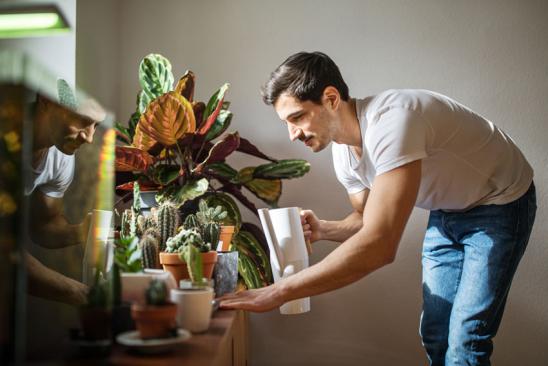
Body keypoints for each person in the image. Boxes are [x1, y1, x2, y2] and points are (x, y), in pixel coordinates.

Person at [218, 52, 537, 365]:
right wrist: (325, 229)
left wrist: (278, 291)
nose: (292, 133)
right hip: (447, 211)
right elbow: (366, 219)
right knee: (437, 335)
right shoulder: (343, 153)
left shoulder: (393, 121)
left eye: (297, 117)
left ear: (330, 98)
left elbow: (381, 244)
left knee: (466, 342)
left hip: (501, 201)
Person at [24, 90, 105, 305]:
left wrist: (84, 231)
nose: (89, 137)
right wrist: (84, 295)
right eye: (83, 121)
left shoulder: (60, 156)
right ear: (46, 100)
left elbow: (43, 225)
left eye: (96, 125)